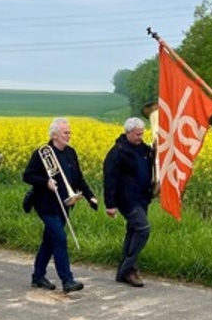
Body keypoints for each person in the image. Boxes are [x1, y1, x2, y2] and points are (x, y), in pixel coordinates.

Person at [22, 117, 96, 293]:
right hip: (46, 204)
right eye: (66, 133)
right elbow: (27, 176)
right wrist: (45, 182)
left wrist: (90, 196)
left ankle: (38, 276)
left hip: (65, 203)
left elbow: (78, 178)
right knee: (60, 238)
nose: (69, 136)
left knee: (50, 240)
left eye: (69, 132)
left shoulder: (70, 153)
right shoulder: (42, 153)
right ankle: (67, 280)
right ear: (55, 135)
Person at [102, 117, 155, 287]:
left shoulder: (142, 148)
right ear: (128, 133)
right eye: (138, 134)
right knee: (142, 228)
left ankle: (126, 272)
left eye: (142, 133)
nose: (141, 137)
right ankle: (127, 268)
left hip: (142, 197)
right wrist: (110, 204)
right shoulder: (117, 152)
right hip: (126, 199)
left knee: (133, 231)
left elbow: (153, 158)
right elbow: (109, 179)